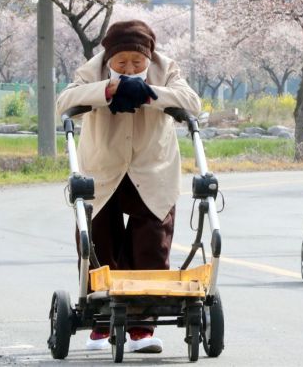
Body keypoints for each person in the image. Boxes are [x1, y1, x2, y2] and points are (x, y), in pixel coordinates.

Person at [56, 19, 201, 354]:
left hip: (152, 169)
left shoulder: (166, 68)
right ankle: (101, 323)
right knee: (98, 244)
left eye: (138, 62)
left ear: (149, 56)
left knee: (150, 245)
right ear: (108, 59)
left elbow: (191, 103)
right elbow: (65, 103)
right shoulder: (93, 69)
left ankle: (140, 328)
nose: (130, 67)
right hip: (103, 168)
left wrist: (151, 93)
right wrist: (107, 90)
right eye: (121, 63)